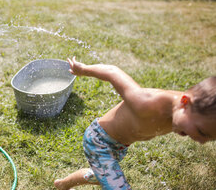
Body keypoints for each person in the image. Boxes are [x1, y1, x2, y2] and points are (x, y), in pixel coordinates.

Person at [54, 56, 216, 190]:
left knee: (101, 176)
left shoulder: (182, 113)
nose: (201, 141)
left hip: (120, 145)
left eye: (208, 139)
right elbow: (112, 71)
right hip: (99, 141)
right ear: (185, 102)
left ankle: (63, 184)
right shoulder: (146, 103)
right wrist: (82, 70)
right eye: (201, 132)